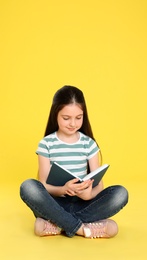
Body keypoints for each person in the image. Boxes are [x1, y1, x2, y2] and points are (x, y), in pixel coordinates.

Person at [20, 85, 128, 239]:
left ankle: (57, 224)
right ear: (55, 115)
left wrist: (88, 194)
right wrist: (63, 189)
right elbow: (43, 185)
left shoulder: (89, 144)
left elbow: (99, 186)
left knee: (120, 193)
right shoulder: (46, 144)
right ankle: (82, 228)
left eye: (78, 118)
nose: (73, 124)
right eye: (66, 118)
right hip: (56, 204)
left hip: (84, 203)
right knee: (28, 187)